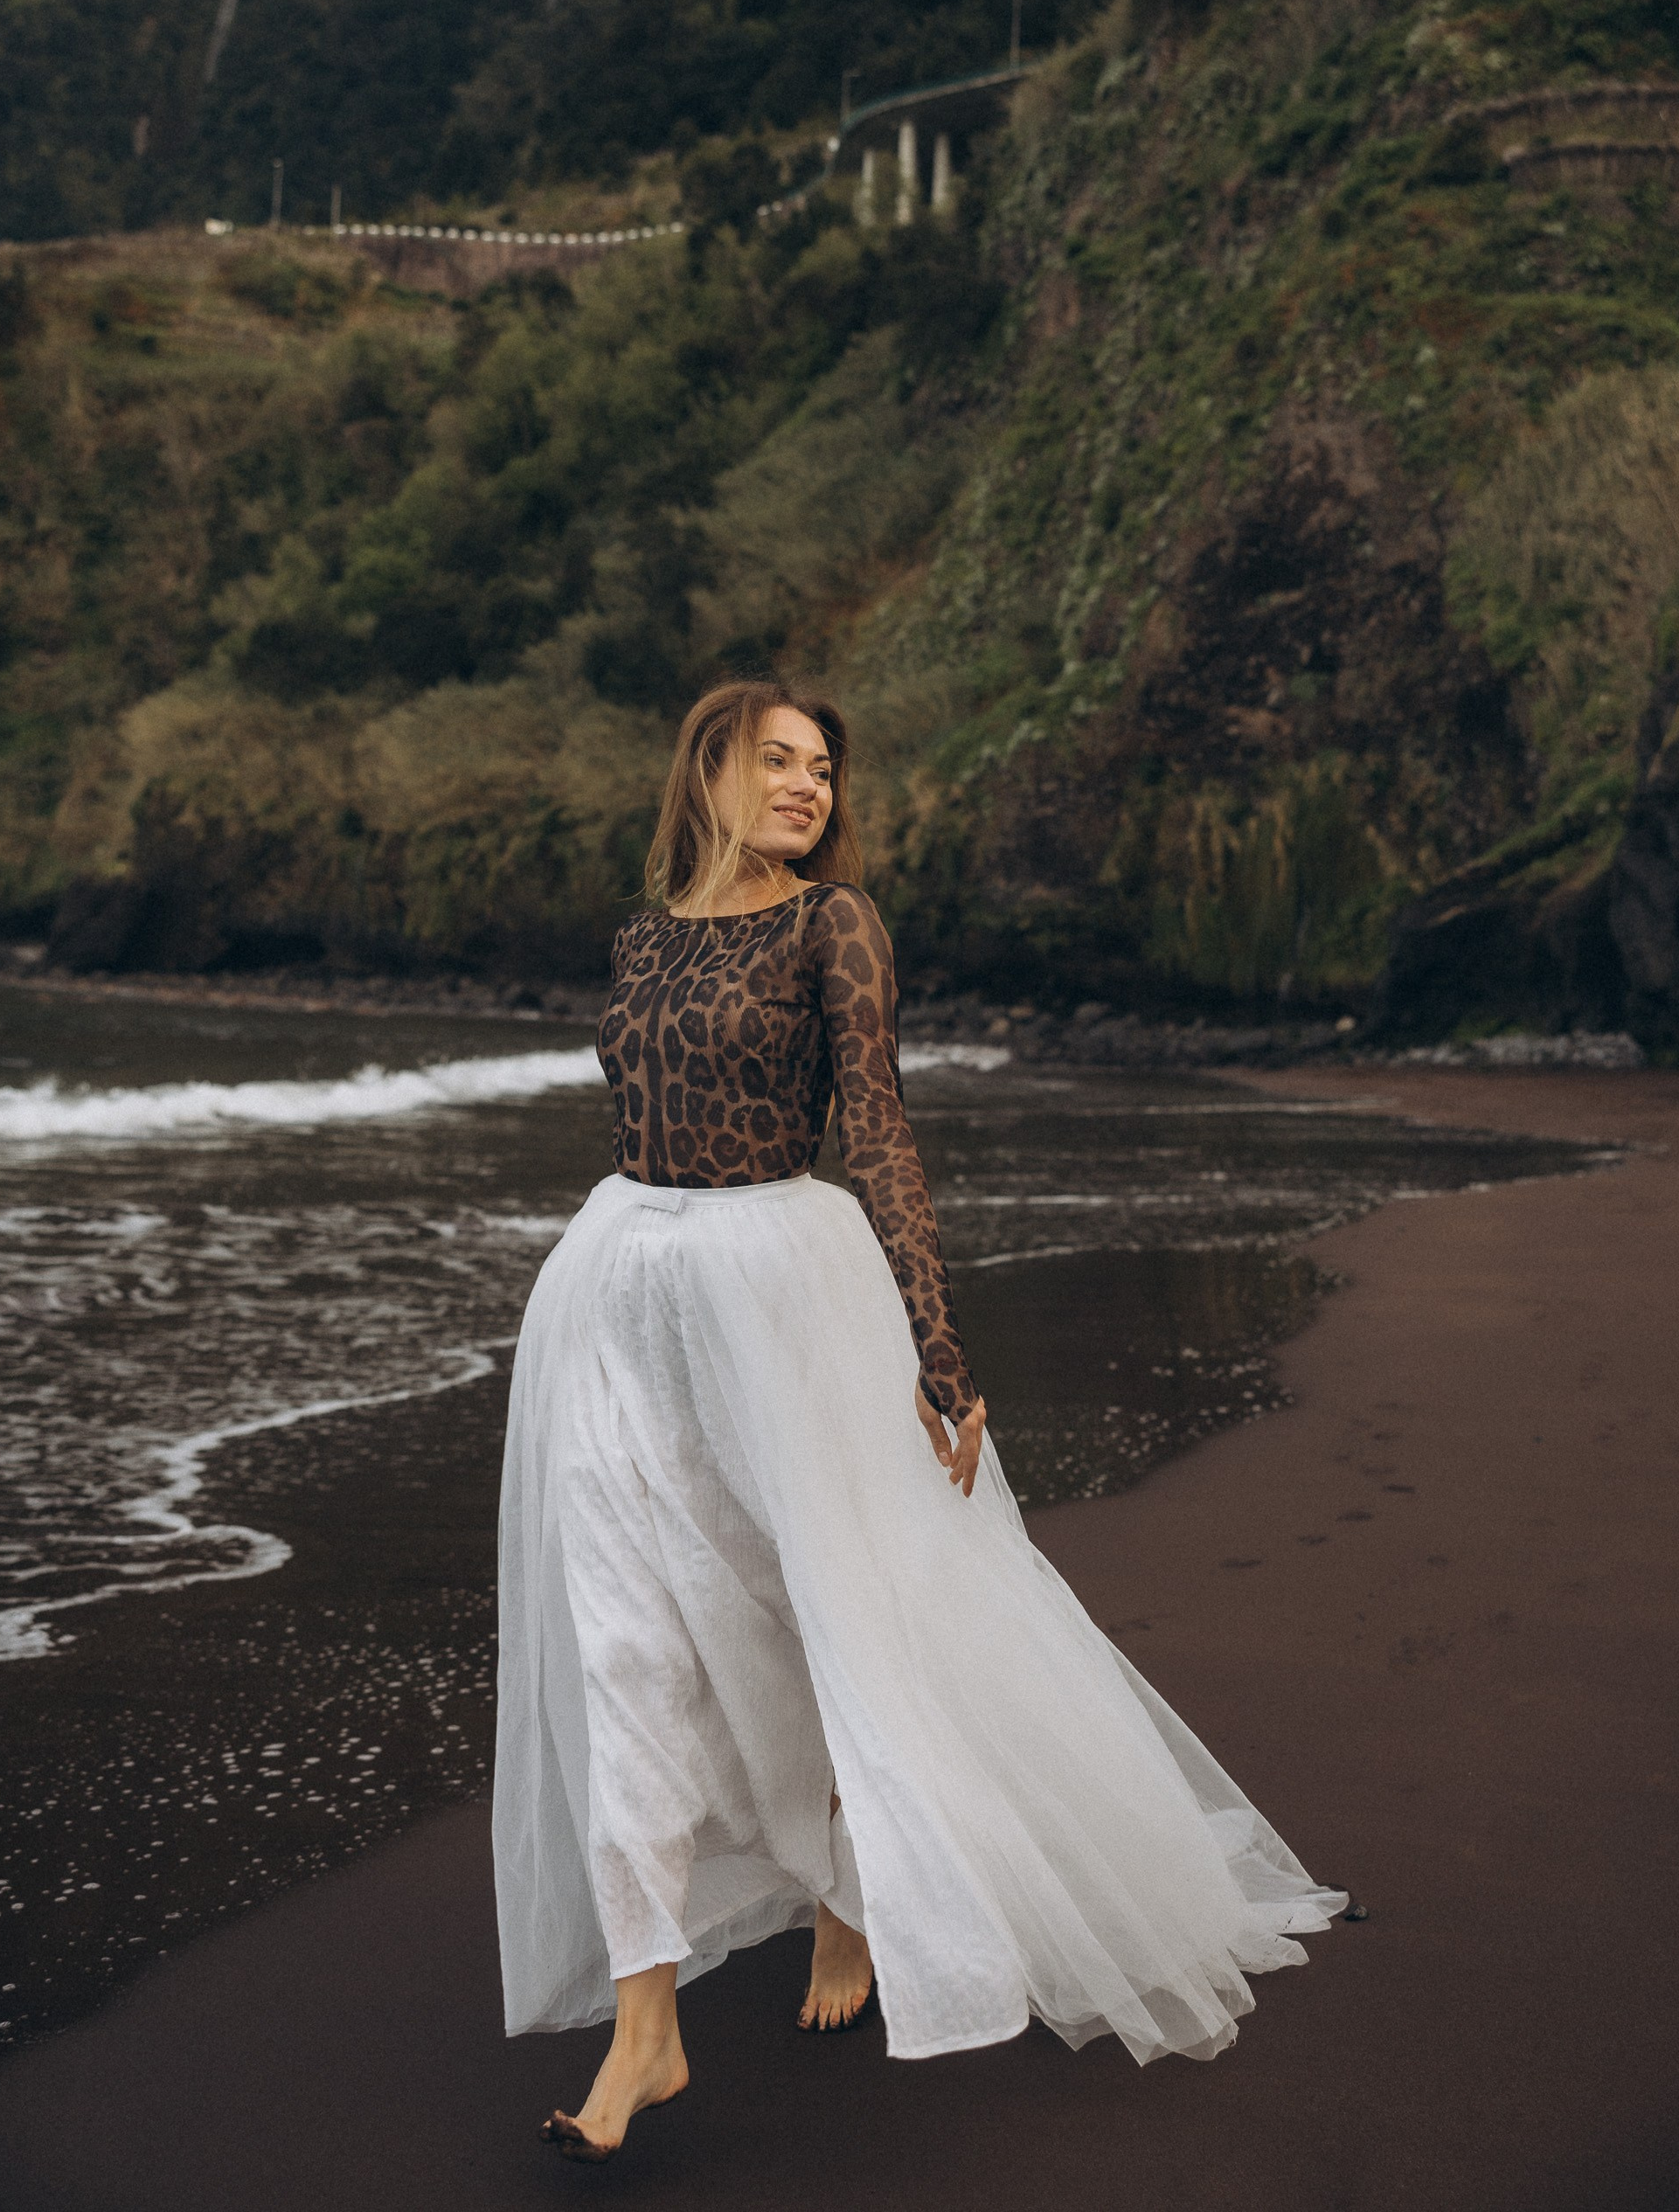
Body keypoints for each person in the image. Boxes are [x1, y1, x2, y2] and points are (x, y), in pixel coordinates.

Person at [492, 678, 1344, 2161]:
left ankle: (850, 1901)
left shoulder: (836, 925)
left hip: (784, 1291)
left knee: (825, 1609)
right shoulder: (636, 939)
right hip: (621, 1287)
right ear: (712, 773)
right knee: (627, 1641)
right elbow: (635, 1117)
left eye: (824, 768)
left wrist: (940, 1352)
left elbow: (875, 1124)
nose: (810, 786)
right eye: (780, 761)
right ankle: (645, 2037)